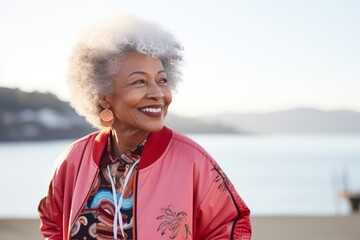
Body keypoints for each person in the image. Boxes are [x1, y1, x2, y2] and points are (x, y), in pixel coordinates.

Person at [38, 13, 252, 240]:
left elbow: (232, 227)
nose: (158, 94)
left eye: (162, 80)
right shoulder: (74, 159)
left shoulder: (193, 161)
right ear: (104, 96)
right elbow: (52, 220)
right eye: (139, 81)